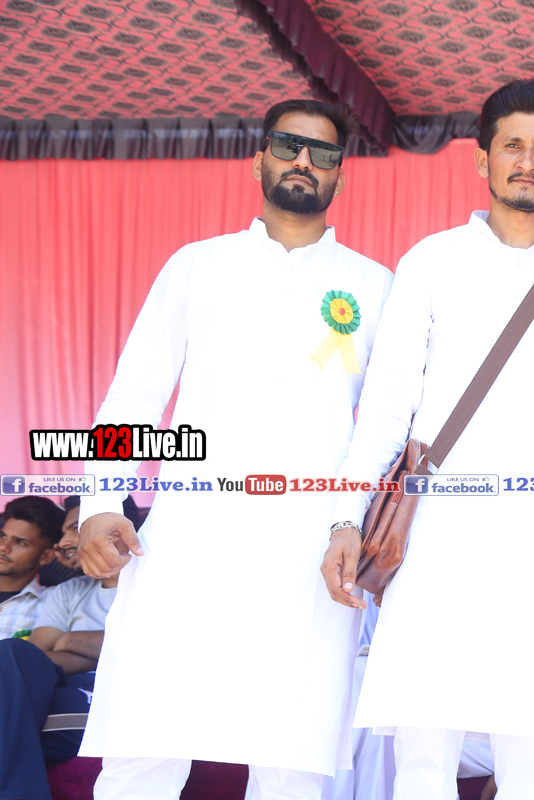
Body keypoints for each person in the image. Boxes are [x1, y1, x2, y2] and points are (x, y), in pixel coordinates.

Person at [76, 98, 394, 800]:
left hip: (309, 551)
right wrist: (100, 501)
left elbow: (383, 429)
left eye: (322, 153)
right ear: (259, 159)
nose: (303, 161)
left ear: (340, 174)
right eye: (288, 145)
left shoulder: (376, 287)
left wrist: (349, 522)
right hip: (188, 540)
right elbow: (134, 399)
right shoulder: (198, 266)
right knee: (142, 752)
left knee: (291, 768)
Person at [321, 79, 534, 800]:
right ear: (483, 158)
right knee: (425, 756)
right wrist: (343, 517)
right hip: (435, 539)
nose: (527, 162)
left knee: (531, 762)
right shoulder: (431, 261)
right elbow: (387, 407)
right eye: (512, 146)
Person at [0, 564, 118, 800]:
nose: (66, 544)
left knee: (11, 718)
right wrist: (98, 651)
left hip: (115, 690)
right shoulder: (71, 588)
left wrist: (68, 639)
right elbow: (36, 658)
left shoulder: (160, 585)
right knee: (11, 650)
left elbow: (146, 652)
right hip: (61, 684)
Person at [0, 497, 65, 639]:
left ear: (46, 557)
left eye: (20, 543)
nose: (3, 547)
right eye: (2, 536)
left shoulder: (55, 604)